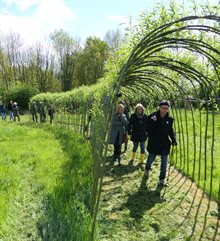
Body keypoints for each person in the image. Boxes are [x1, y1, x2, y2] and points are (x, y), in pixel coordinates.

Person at [144, 100, 177, 186]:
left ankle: (162, 179)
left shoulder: (170, 119)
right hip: (154, 143)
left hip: (165, 144)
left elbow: (170, 130)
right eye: (163, 108)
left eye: (166, 108)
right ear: (159, 108)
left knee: (164, 162)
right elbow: (147, 129)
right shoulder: (152, 116)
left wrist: (173, 139)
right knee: (150, 159)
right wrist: (152, 122)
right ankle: (147, 169)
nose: (164, 110)